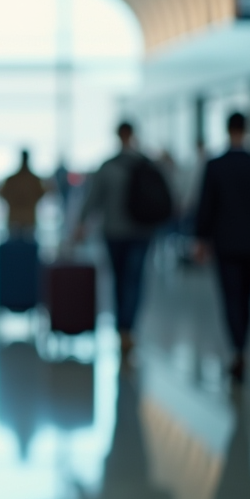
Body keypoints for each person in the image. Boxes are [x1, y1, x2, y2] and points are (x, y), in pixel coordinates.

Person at [193, 112, 250, 383]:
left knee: (231, 296)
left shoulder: (215, 165)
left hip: (225, 241)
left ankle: (238, 349)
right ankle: (243, 345)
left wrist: (201, 238)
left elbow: (205, 205)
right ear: (247, 129)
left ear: (227, 129)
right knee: (247, 295)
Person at [74, 122, 156, 357]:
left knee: (120, 280)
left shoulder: (108, 167)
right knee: (135, 279)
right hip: (141, 232)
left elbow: (93, 198)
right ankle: (129, 328)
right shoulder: (146, 164)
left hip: (114, 232)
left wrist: (81, 223)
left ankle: (123, 328)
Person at [0, 149, 47, 239]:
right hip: (27, 217)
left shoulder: (12, 180)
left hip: (16, 217)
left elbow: (2, 193)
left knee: (16, 248)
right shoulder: (33, 180)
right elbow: (42, 193)